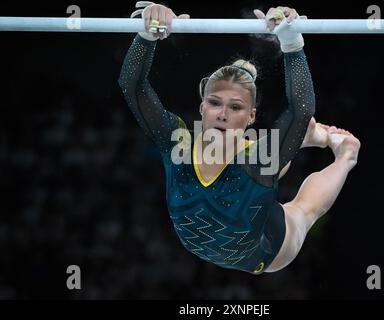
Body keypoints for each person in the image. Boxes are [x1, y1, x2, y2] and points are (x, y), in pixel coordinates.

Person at [118, 2, 361, 274]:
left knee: (303, 213)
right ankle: (302, 138)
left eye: (235, 107)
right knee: (270, 159)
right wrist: (148, 35)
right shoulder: (178, 144)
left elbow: (300, 110)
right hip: (253, 169)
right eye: (214, 103)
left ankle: (345, 155)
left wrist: (292, 43)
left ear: (251, 116)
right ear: (201, 107)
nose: (223, 114)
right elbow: (132, 85)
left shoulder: (257, 161)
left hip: (264, 250)